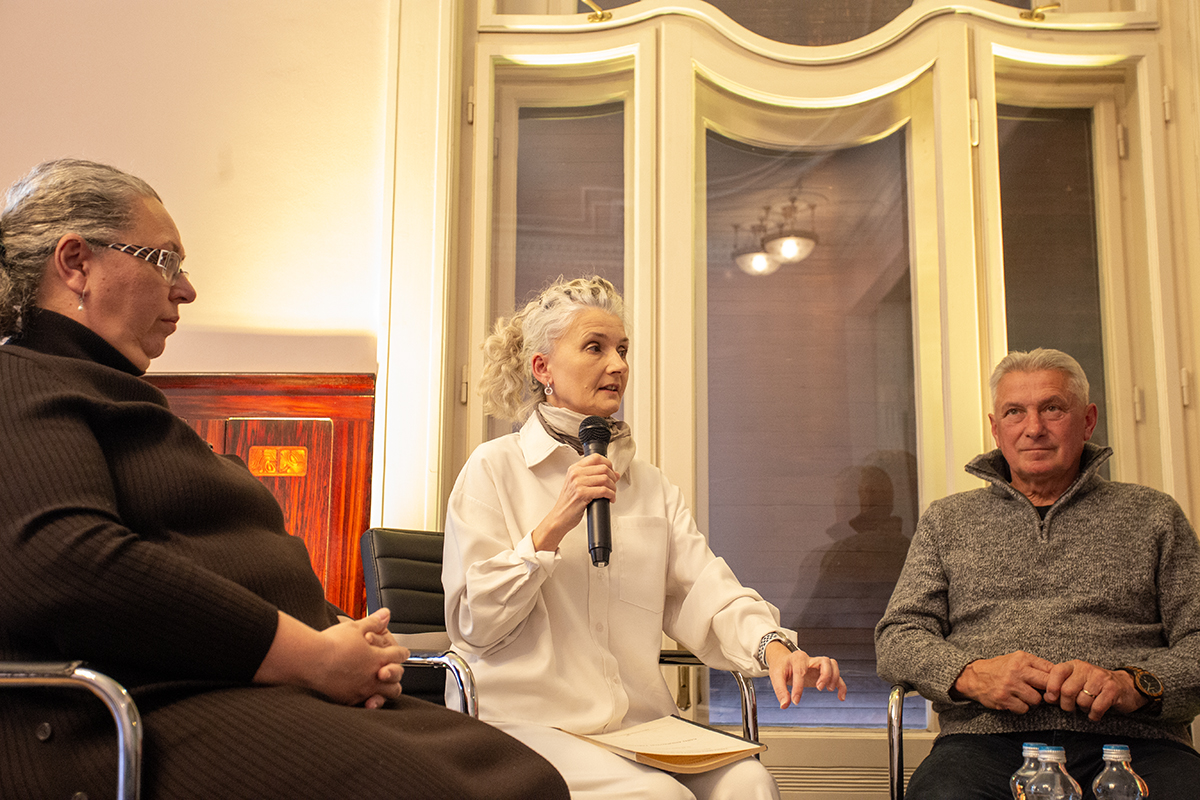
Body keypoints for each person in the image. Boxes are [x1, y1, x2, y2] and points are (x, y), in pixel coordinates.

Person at [0, 159, 569, 800]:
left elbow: (205, 563)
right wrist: (312, 655)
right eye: (165, 261)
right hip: (131, 717)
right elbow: (62, 564)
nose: (185, 290)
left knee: (529, 777)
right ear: (76, 263)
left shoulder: (119, 397)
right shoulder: (20, 380)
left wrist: (346, 636)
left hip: (248, 688)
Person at [442, 275, 847, 800]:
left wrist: (772, 647)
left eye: (623, 350)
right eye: (595, 347)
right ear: (543, 368)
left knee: (750, 783)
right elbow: (473, 625)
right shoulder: (492, 469)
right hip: (524, 724)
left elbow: (706, 590)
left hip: (635, 727)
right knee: (662, 797)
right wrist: (552, 527)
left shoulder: (650, 486)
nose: (618, 365)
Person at [875, 348, 1200, 798]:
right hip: (982, 745)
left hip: (1134, 742)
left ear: (1087, 421)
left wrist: (1132, 684)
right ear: (996, 428)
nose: (1033, 428)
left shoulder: (1154, 515)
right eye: (1015, 412)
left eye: (1052, 408)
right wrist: (970, 674)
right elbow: (897, 637)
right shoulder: (947, 521)